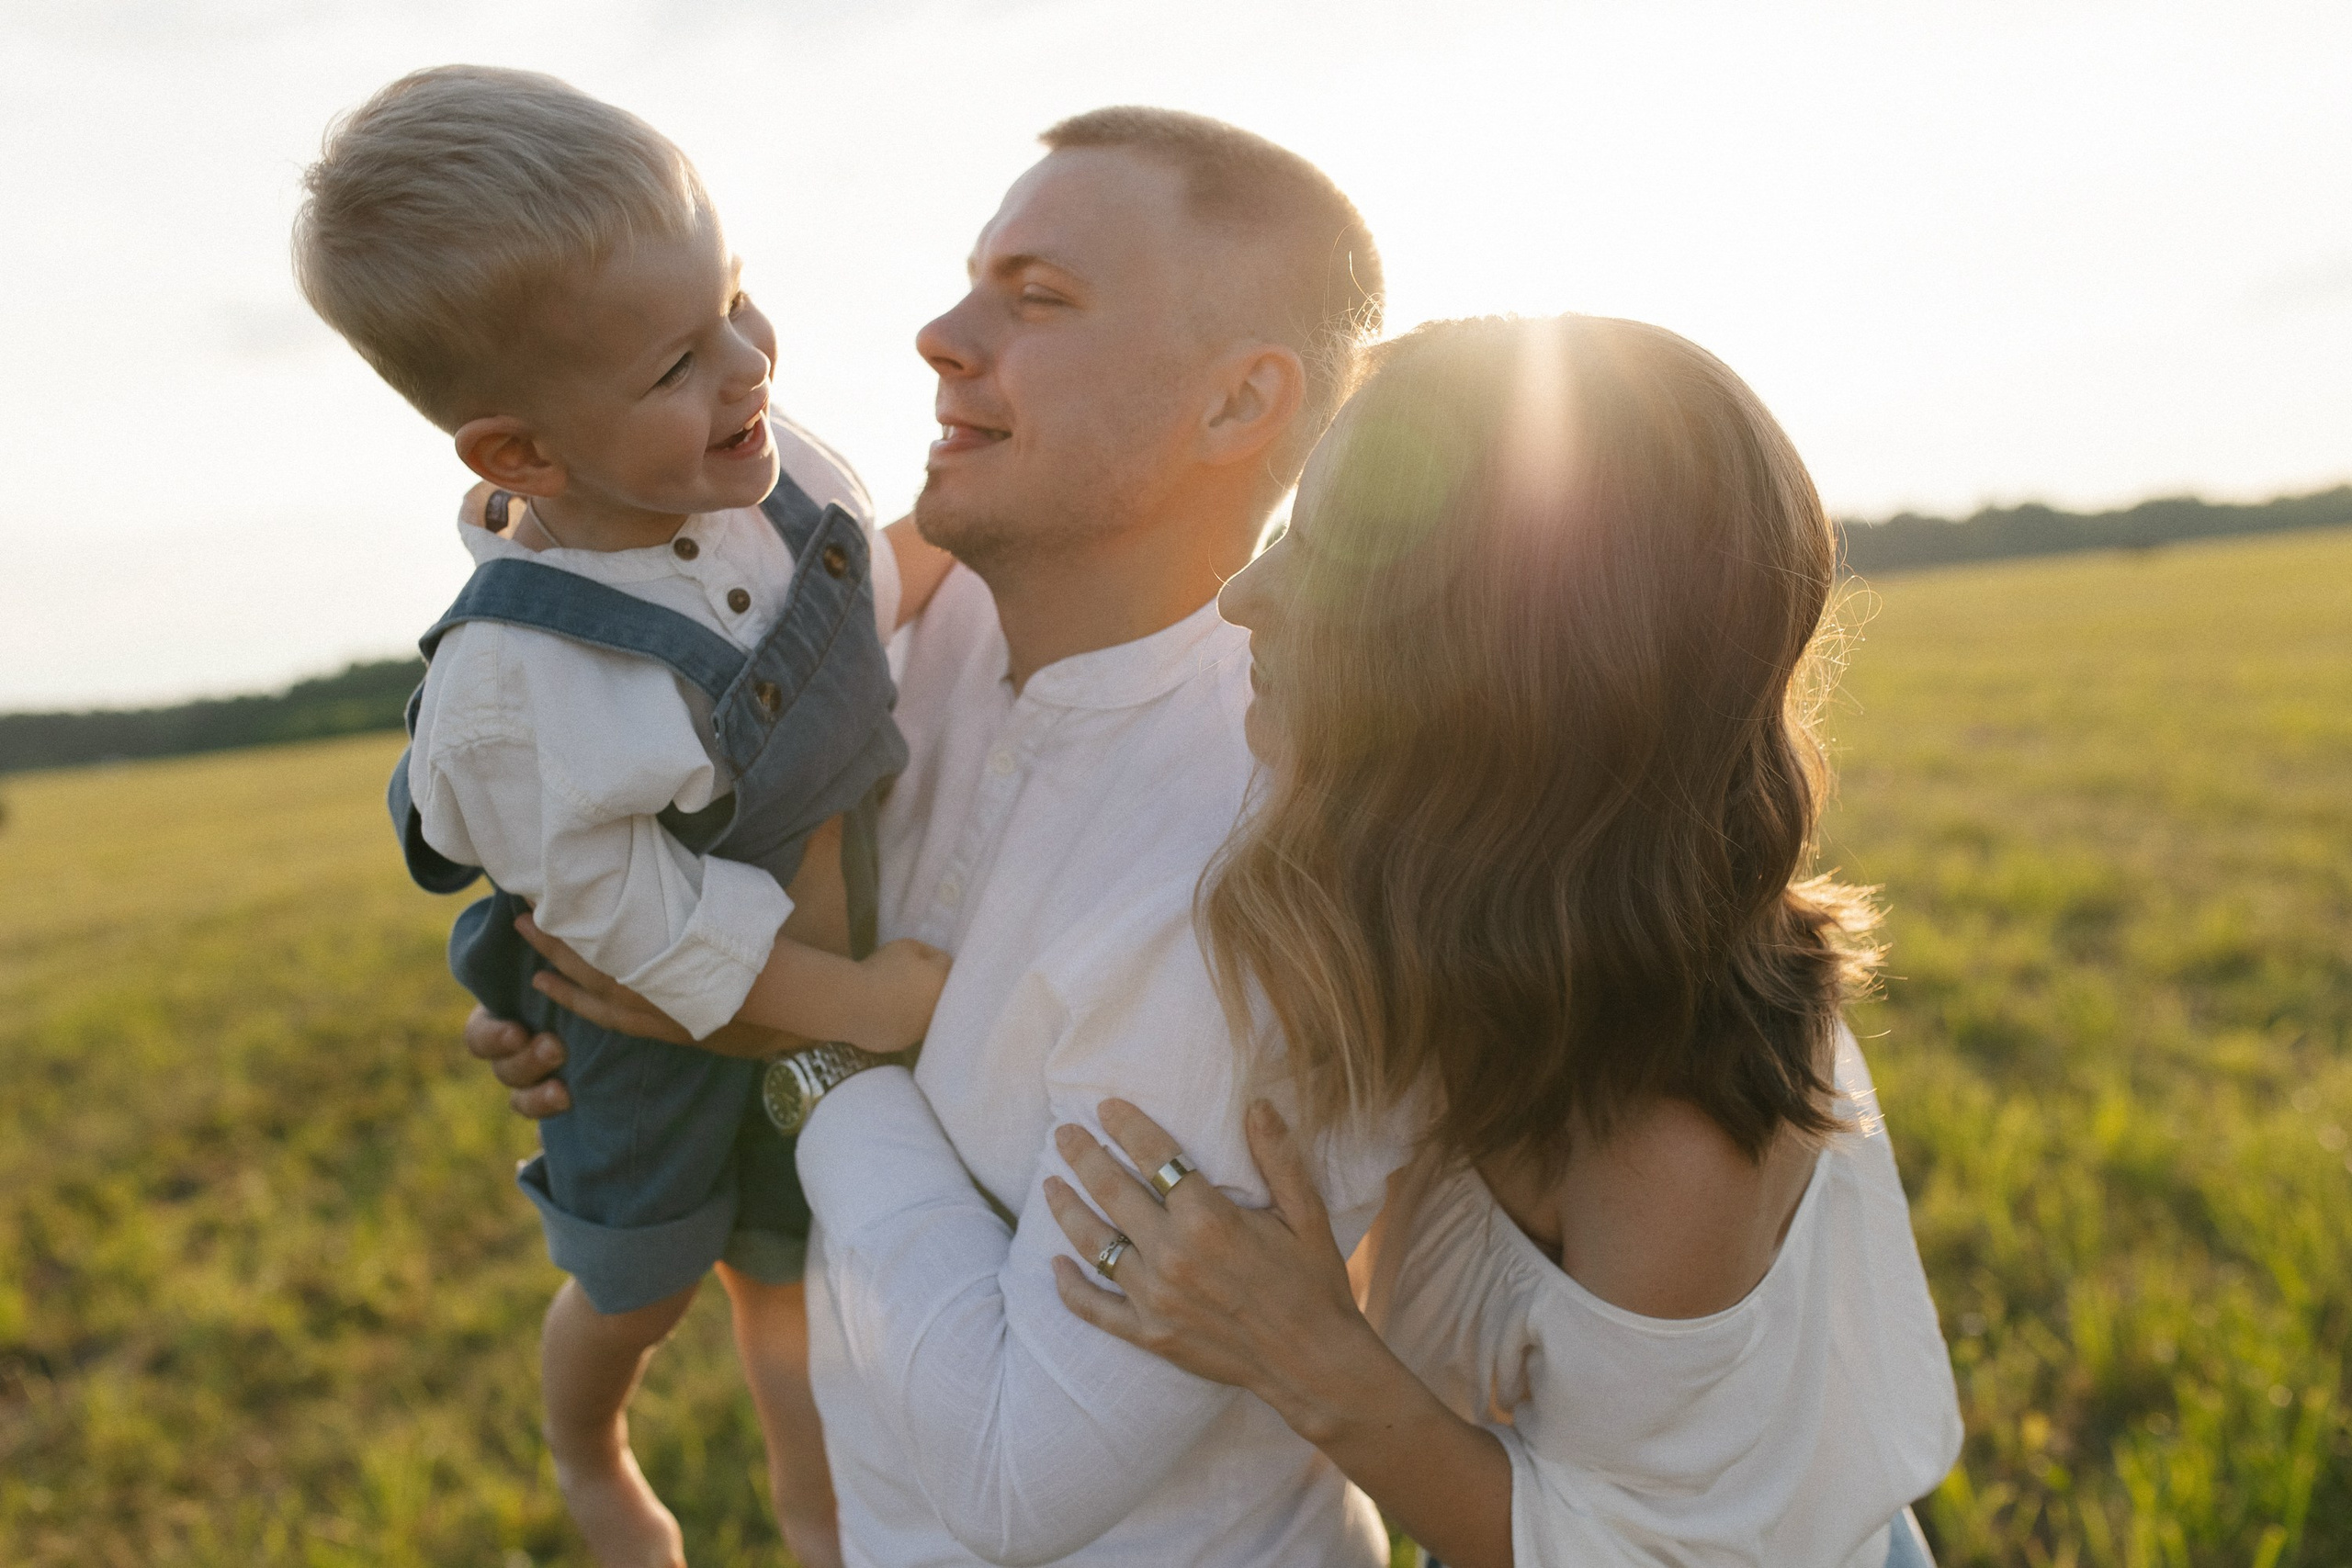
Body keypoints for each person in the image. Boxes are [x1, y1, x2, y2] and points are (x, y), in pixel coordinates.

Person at [472, 109, 1412, 1565]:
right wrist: (597, 1022)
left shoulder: (1266, 853)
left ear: (1239, 408)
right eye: (973, 280)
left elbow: (1014, 1478)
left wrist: (793, 1044)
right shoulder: (903, 637)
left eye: (1036, 299)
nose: (938, 334)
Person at [1038, 314, 1964, 1566]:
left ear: (1487, 674)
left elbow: (1628, 1557)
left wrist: (1303, 1352)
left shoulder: (1668, 1134)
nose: (1244, 594)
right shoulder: (1494, 928)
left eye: (1326, 554)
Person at [294, 66, 951, 1568]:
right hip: (636, 1006)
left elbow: (885, 603)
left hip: (805, 975)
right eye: (676, 362)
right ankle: (593, 1450)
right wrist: (855, 1003)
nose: (748, 365)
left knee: (793, 1267)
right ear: (518, 454)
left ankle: (815, 1509)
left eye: (737, 299)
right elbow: (626, 930)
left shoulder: (781, 484)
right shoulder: (527, 685)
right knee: (642, 1275)